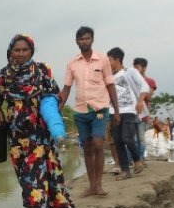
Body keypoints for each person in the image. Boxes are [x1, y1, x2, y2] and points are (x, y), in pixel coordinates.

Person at [0, 34, 77, 208]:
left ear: (31, 51)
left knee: (47, 171)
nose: (20, 54)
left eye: (24, 50)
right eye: (16, 50)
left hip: (41, 133)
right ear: (10, 51)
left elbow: (54, 94)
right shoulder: (4, 74)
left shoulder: (42, 70)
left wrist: (52, 112)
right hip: (19, 135)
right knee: (27, 177)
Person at [57, 26, 119, 197]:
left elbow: (110, 85)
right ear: (77, 41)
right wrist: (58, 110)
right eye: (81, 39)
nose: (84, 41)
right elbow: (67, 88)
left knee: (99, 144)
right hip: (81, 112)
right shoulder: (72, 63)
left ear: (92, 39)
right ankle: (92, 185)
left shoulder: (103, 59)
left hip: (99, 109)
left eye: (87, 38)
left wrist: (117, 111)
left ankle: (99, 184)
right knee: (87, 148)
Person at [106, 47, 149, 180]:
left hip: (129, 110)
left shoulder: (129, 71)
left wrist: (140, 101)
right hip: (114, 112)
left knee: (127, 138)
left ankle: (137, 160)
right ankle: (125, 171)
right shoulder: (109, 77)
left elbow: (144, 86)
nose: (108, 63)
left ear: (117, 59)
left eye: (110, 60)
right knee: (118, 141)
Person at [132, 57, 155, 162]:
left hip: (143, 113)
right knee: (132, 138)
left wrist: (141, 87)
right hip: (131, 113)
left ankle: (141, 159)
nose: (135, 69)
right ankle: (135, 159)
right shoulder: (131, 80)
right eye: (134, 67)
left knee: (141, 137)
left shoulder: (150, 81)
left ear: (144, 68)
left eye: (137, 67)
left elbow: (148, 97)